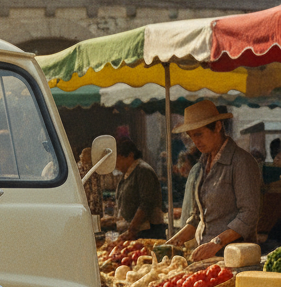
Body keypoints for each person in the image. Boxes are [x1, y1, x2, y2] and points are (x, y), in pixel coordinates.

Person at [166, 99, 262, 262]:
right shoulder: (203, 164)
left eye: (199, 134)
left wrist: (216, 242)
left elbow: (249, 214)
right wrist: (170, 243)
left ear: (218, 127)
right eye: (191, 136)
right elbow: (197, 217)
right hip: (206, 257)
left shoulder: (240, 162)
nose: (195, 142)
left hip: (234, 259)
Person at [104, 138, 166, 240]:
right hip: (133, 232)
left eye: (118, 159)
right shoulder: (126, 174)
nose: (115, 164)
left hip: (148, 232)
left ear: (130, 155)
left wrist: (132, 228)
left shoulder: (143, 170)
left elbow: (146, 203)